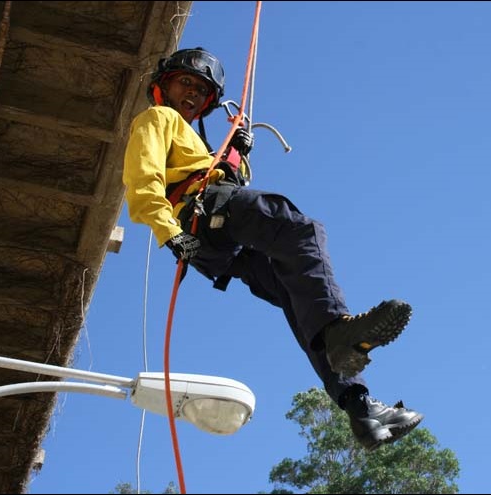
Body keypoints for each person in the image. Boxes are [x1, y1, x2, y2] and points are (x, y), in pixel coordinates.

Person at [122, 47, 423, 451]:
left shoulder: (197, 142)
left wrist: (236, 158)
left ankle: (359, 406)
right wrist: (169, 232)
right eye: (185, 82)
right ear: (163, 85)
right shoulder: (158, 119)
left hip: (215, 240)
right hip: (205, 214)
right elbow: (143, 180)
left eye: (200, 90)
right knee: (299, 231)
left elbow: (221, 180)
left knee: (296, 295)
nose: (192, 93)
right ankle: (339, 334)